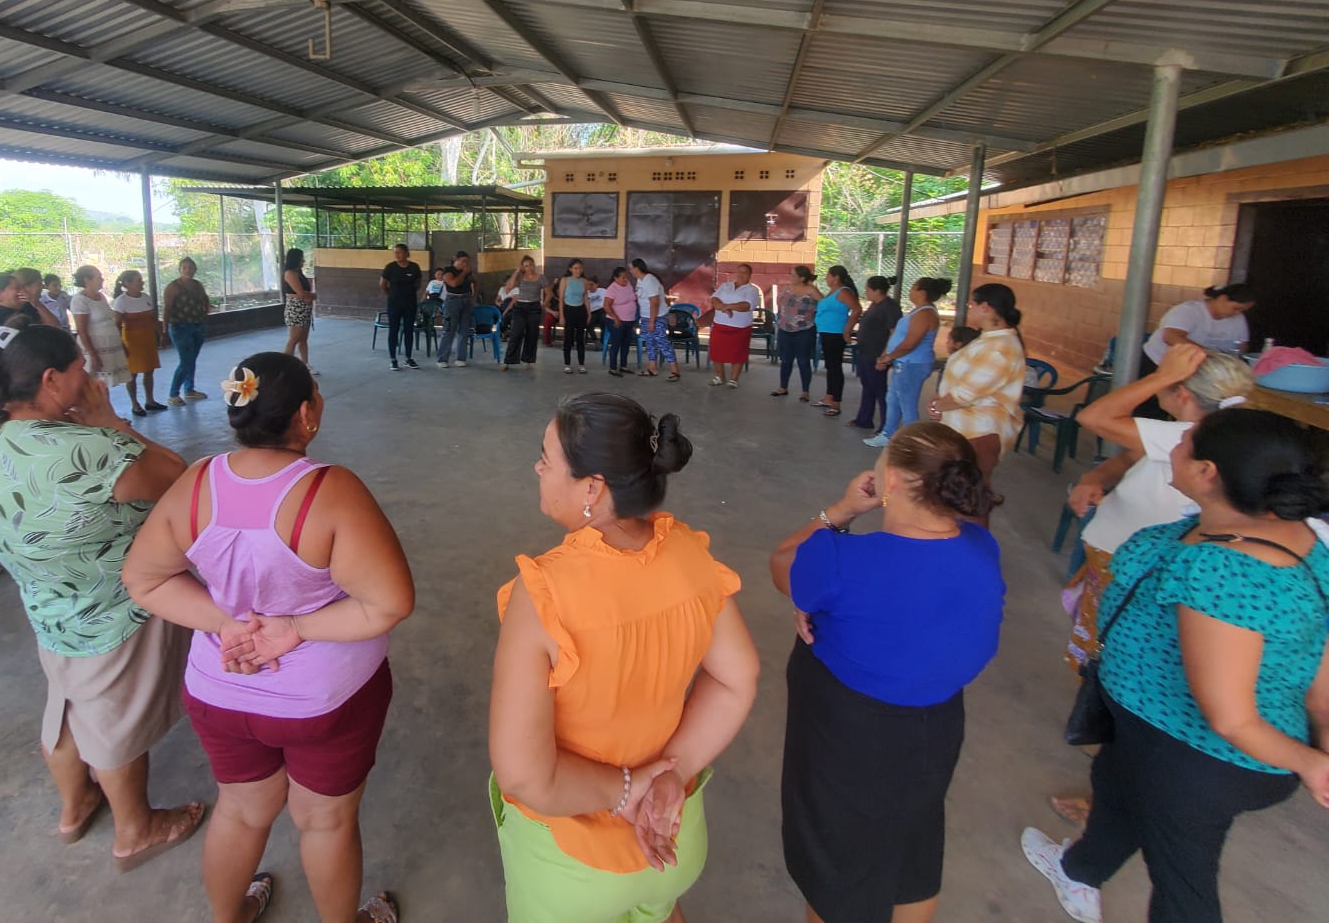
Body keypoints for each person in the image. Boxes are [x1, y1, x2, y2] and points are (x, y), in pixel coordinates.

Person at [123, 352, 415, 923]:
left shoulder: (198, 481)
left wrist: (226, 622)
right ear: (306, 414)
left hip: (220, 687)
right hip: (321, 697)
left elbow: (143, 578)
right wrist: (295, 629)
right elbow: (388, 603)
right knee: (325, 820)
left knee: (239, 810)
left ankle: (228, 917)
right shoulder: (329, 491)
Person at [1022, 408, 1329, 923]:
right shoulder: (1301, 543)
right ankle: (1079, 872)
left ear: (1208, 473)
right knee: (1116, 788)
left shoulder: (1227, 571)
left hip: (1194, 758)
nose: (1175, 448)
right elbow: (1319, 678)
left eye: (1185, 443)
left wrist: (1314, 764)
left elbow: (1231, 718)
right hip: (1153, 733)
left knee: (1183, 884)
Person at [490, 394, 759, 923]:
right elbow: (738, 678)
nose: (537, 468)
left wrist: (627, 791)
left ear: (591, 487)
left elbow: (525, 776)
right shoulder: (689, 554)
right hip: (671, 837)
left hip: (572, 865)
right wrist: (668, 778)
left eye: (547, 460)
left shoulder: (544, 592)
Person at [0, 321, 204, 871]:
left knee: (67, 704)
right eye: (79, 368)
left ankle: (75, 807)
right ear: (50, 380)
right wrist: (111, 423)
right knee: (113, 720)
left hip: (48, 600)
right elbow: (176, 478)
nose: (89, 374)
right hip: (109, 606)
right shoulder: (91, 449)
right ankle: (135, 830)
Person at [771, 422, 1004, 923]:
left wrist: (841, 510)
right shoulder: (982, 547)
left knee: (838, 865)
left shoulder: (842, 558)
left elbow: (782, 564)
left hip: (850, 733)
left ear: (892, 480)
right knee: (913, 842)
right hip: (936, 727)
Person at [1049, 345, 1255, 827]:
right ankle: (1109, 769)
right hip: (1118, 567)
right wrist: (1098, 474)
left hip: (1134, 577)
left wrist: (1157, 374)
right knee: (1103, 674)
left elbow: (1097, 416)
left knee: (1117, 680)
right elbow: (1132, 456)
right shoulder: (1190, 435)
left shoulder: (1190, 435)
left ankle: (1108, 799)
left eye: (1168, 385)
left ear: (1181, 392)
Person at [927, 283, 1025, 517]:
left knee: (970, 500)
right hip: (964, 429)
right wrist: (942, 400)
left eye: (972, 305)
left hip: (979, 433)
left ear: (986, 308)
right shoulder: (989, 339)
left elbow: (966, 394)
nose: (968, 309)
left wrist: (938, 405)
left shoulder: (1001, 348)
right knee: (957, 496)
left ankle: (973, 550)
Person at [1136, 284, 1257, 420]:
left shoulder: (1238, 320)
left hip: (1196, 370)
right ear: (1223, 298)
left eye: (1242, 310)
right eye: (1236, 308)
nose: (1237, 313)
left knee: (1183, 409)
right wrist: (1210, 355)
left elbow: (1242, 345)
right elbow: (1170, 336)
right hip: (1159, 363)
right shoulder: (1189, 311)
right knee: (1151, 408)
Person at [864, 278, 951, 449]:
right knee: (894, 399)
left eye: (913, 288)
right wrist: (887, 355)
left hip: (912, 364)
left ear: (922, 293)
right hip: (904, 362)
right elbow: (899, 337)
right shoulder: (918, 311)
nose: (910, 292)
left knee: (907, 403)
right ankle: (888, 434)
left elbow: (910, 343)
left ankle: (914, 442)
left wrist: (888, 358)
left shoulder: (925, 314)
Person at [848, 277, 903, 433]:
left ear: (877, 290)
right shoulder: (875, 304)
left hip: (877, 354)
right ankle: (864, 419)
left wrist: (885, 356)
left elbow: (894, 334)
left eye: (868, 289)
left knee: (880, 390)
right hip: (865, 351)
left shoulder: (890, 307)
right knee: (868, 387)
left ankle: (887, 425)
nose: (866, 292)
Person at [112, 270, 165, 417]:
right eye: (138, 280)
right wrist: (121, 345)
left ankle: (150, 401)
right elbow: (116, 325)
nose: (142, 283)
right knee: (132, 374)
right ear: (128, 284)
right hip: (131, 341)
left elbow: (153, 319)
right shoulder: (121, 301)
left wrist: (162, 334)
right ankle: (135, 404)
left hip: (147, 339)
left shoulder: (146, 298)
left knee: (149, 371)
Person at [812, 266, 861, 417]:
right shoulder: (832, 292)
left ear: (836, 277)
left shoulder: (844, 292)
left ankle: (836, 403)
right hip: (827, 333)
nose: (826, 278)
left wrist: (847, 330)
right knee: (830, 366)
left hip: (836, 334)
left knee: (835, 368)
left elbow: (857, 310)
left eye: (828, 276)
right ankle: (829, 397)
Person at [164, 257, 213, 405]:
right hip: (180, 327)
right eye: (185, 268)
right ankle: (173, 394)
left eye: (190, 268)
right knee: (186, 361)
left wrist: (204, 315)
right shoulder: (172, 287)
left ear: (195, 269)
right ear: (180, 270)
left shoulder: (197, 285)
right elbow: (167, 309)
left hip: (197, 325)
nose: (188, 270)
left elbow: (205, 300)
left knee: (191, 360)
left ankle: (189, 390)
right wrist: (164, 331)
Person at [771, 265, 820, 400]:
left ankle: (805, 391)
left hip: (804, 330)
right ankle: (783, 387)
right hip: (785, 329)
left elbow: (823, 305)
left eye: (793, 275)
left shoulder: (812, 290)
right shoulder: (787, 288)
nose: (790, 277)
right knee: (786, 360)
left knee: (803, 360)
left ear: (802, 278)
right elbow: (779, 302)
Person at [708, 264, 760, 387]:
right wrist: (722, 308)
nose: (741, 275)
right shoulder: (725, 286)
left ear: (750, 275)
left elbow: (747, 305)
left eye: (745, 272)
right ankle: (720, 377)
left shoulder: (752, 290)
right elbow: (714, 299)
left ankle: (734, 379)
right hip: (720, 324)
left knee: (738, 353)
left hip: (740, 328)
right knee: (716, 351)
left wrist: (728, 306)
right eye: (739, 272)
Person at [630, 258, 680, 382]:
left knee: (662, 342)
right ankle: (652, 368)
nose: (630, 271)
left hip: (656, 317)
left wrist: (652, 321)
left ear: (637, 268)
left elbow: (655, 302)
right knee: (650, 342)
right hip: (646, 316)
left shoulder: (650, 280)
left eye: (631, 268)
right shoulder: (640, 280)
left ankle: (674, 370)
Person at [499, 256, 550, 371]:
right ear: (523, 267)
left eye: (531, 264)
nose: (529, 268)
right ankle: (508, 361)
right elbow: (510, 287)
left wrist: (543, 305)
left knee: (532, 334)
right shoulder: (521, 277)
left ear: (534, 265)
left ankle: (528, 360)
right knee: (515, 333)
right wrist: (517, 271)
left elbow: (549, 293)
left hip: (534, 307)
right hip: (520, 307)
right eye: (526, 266)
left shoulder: (541, 278)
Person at [380, 243, 425, 372]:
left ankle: (408, 358)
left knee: (409, 330)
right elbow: (382, 284)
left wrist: (409, 292)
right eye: (395, 252)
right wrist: (392, 295)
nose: (397, 255)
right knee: (393, 330)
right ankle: (393, 360)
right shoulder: (390, 267)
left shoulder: (414, 267)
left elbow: (418, 283)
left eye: (399, 252)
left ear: (406, 253)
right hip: (394, 304)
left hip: (410, 303)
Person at [436, 252, 476, 369]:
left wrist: (474, 297)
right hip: (452, 301)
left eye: (467, 262)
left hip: (466, 299)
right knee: (449, 330)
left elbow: (475, 282)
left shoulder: (468, 273)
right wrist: (464, 272)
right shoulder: (448, 270)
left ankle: (461, 358)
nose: (465, 264)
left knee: (464, 330)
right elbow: (453, 283)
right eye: (463, 261)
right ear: (455, 260)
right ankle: (442, 358)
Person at [554, 259, 592, 375]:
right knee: (568, 338)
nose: (578, 270)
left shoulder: (584, 281)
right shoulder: (565, 280)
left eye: (580, 268)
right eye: (575, 268)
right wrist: (561, 315)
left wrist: (589, 313)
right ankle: (567, 364)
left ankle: (581, 364)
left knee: (580, 339)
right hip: (568, 310)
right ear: (570, 269)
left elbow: (585, 297)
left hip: (580, 311)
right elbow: (561, 299)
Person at [283, 249, 317, 373]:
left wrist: (310, 297)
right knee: (294, 339)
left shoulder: (299, 273)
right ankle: (285, 366)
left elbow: (304, 293)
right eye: (301, 258)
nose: (303, 260)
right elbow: (301, 293)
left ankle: (305, 364)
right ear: (295, 259)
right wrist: (314, 296)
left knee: (303, 339)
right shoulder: (290, 273)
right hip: (295, 309)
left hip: (305, 308)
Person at [604, 266, 638, 377]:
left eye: (626, 277)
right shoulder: (612, 289)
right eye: (622, 278)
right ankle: (613, 368)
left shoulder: (628, 284)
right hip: (616, 321)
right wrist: (615, 318)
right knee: (616, 344)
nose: (625, 279)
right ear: (615, 278)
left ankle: (624, 365)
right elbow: (606, 306)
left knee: (626, 344)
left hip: (629, 320)